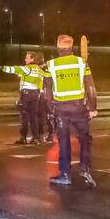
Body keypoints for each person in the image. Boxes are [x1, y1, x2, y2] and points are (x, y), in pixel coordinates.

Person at [43, 35, 98, 188]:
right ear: (71, 47)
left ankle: (65, 174)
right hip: (79, 108)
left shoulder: (50, 65)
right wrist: (93, 107)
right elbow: (91, 87)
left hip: (61, 109)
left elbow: (46, 91)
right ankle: (85, 169)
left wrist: (49, 110)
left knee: (64, 142)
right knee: (85, 139)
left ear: (58, 47)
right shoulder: (81, 63)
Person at [0, 51, 46, 144]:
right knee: (33, 117)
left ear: (32, 59)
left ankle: (23, 137)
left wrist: (2, 68)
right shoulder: (39, 70)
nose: (25, 59)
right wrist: (39, 93)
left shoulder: (27, 68)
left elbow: (15, 69)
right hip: (35, 95)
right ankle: (36, 137)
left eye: (27, 58)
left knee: (24, 116)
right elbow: (41, 83)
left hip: (26, 95)